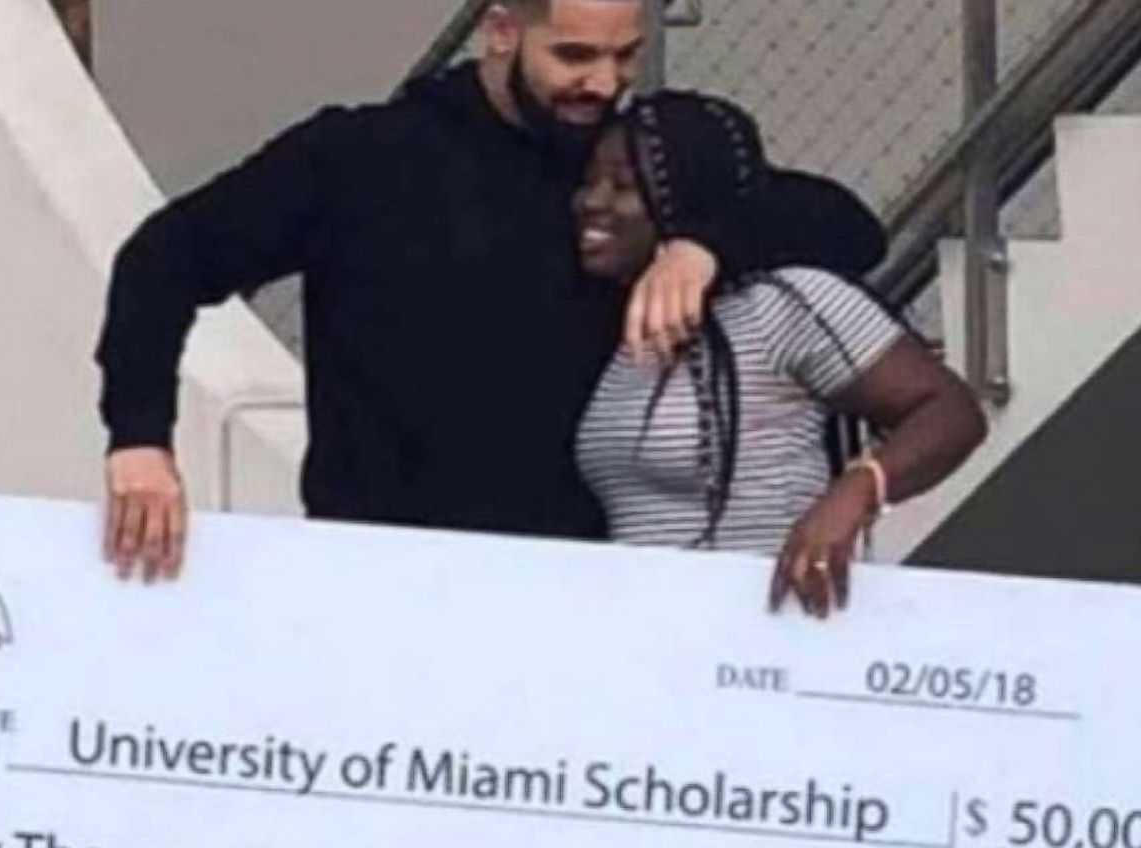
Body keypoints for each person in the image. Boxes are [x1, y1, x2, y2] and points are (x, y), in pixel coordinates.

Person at [95, 0, 888, 582]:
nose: (602, 83)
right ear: (502, 29)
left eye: (624, 58)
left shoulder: (627, 162)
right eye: (574, 55)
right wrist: (139, 442)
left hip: (580, 584)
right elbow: (164, 260)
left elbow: (846, 226)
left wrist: (701, 246)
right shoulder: (362, 159)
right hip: (378, 573)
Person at [571, 91, 987, 618]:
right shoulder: (627, 336)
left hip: (768, 630)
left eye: (623, 186)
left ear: (683, 198)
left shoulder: (783, 305)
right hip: (655, 635)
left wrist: (856, 492)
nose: (591, 200)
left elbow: (951, 413)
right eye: (588, 181)